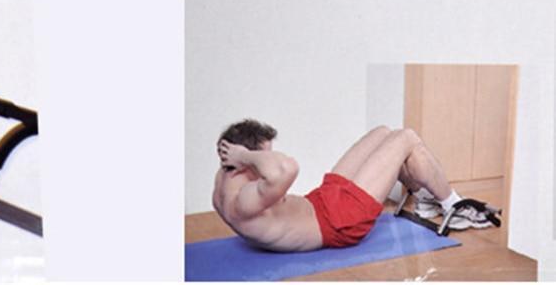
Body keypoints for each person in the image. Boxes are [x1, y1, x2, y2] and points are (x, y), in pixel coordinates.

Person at [212, 119, 495, 252]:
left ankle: (424, 196)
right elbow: (288, 168)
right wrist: (249, 156)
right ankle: (452, 204)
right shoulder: (244, 201)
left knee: (384, 133)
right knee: (407, 139)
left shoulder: (225, 177)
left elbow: (271, 170)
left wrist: (244, 157)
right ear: (245, 160)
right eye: (264, 154)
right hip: (339, 222)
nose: (267, 159)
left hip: (320, 202)